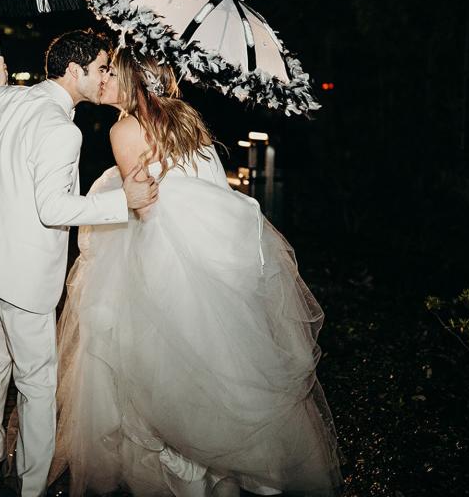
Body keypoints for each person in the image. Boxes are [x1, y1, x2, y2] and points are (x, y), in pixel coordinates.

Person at [51, 47, 343, 497]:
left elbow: (142, 203)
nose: (104, 77)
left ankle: (192, 476)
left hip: (164, 263)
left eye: (112, 70)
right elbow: (206, 187)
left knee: (164, 383)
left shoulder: (124, 129)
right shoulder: (185, 119)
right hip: (218, 262)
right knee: (219, 372)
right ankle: (225, 473)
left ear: (131, 80)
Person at [0, 30, 160, 497]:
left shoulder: (9, 98)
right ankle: (32, 488)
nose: (106, 76)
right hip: (18, 272)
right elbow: (53, 210)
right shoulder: (63, 131)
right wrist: (125, 201)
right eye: (101, 68)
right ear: (74, 71)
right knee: (37, 382)